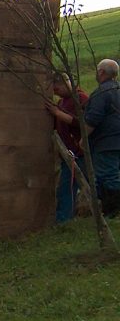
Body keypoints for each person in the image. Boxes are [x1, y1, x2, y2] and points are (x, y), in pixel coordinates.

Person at [46, 72, 88, 222]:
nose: (56, 93)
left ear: (65, 83)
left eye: (57, 89)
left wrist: (57, 113)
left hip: (79, 153)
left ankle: (64, 220)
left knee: (68, 187)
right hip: (68, 154)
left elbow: (81, 123)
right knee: (67, 187)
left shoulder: (80, 99)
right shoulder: (62, 102)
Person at [83, 59, 120, 216]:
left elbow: (93, 118)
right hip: (116, 141)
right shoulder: (118, 90)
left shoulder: (102, 93)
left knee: (108, 176)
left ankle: (113, 212)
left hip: (106, 142)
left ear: (101, 72)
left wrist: (83, 139)